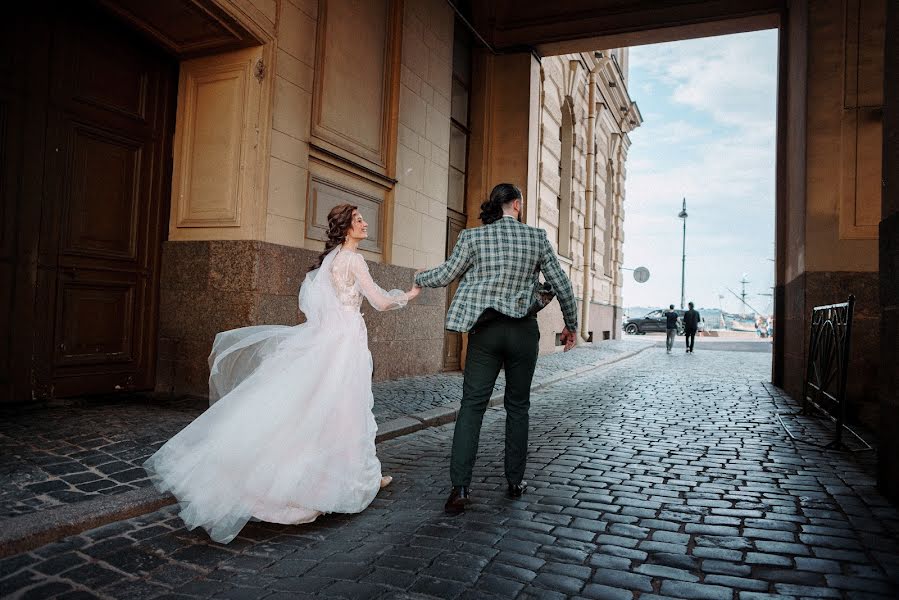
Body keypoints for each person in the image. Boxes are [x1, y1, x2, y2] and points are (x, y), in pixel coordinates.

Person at [144, 204, 420, 543]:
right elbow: (378, 302)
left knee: (320, 406)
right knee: (346, 407)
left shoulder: (330, 259)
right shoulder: (354, 259)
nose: (365, 224)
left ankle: (360, 472)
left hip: (329, 338)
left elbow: (315, 304)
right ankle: (343, 480)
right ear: (346, 229)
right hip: (345, 342)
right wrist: (407, 295)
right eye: (359, 220)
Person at [414, 183, 578, 514]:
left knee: (472, 406)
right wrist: (570, 325)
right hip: (522, 333)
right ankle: (515, 482)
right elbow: (561, 284)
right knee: (518, 407)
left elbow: (446, 274)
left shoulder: (472, 237)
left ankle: (460, 488)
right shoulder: (536, 237)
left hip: (485, 332)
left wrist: (419, 278)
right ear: (516, 204)